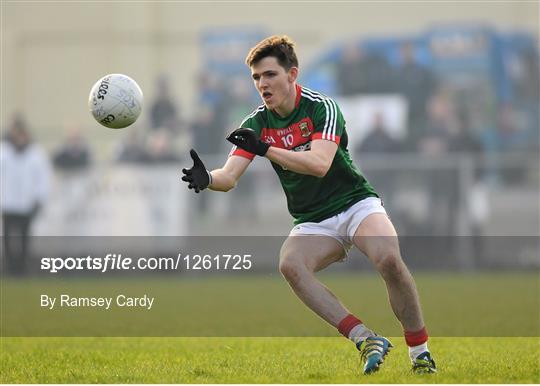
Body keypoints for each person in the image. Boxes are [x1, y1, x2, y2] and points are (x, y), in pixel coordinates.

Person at [181, 35, 436, 375]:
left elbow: (320, 164)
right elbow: (229, 176)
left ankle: (420, 353)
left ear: (292, 74)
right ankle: (365, 338)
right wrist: (207, 179)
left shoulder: (322, 107)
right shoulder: (255, 124)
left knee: (389, 259)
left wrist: (266, 150)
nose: (262, 84)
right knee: (290, 265)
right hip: (313, 219)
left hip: (355, 203)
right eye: (256, 77)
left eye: (269, 75)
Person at [1, 115, 51, 275]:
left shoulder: (36, 153)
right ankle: (10, 266)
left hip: (26, 203)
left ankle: (22, 267)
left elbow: (43, 177)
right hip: (7, 203)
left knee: (25, 237)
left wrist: (40, 199)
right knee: (8, 237)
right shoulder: (3, 152)